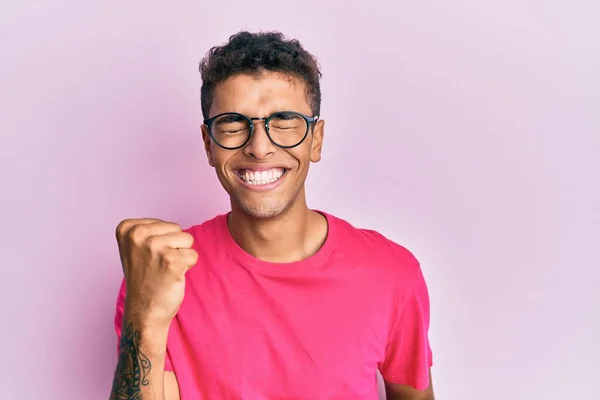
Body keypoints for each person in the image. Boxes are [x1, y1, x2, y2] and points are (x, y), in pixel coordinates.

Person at [110, 31, 434, 400]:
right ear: (208, 144)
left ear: (316, 140)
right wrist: (144, 315)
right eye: (233, 125)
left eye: (284, 122)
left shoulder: (390, 271)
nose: (260, 148)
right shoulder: (160, 272)